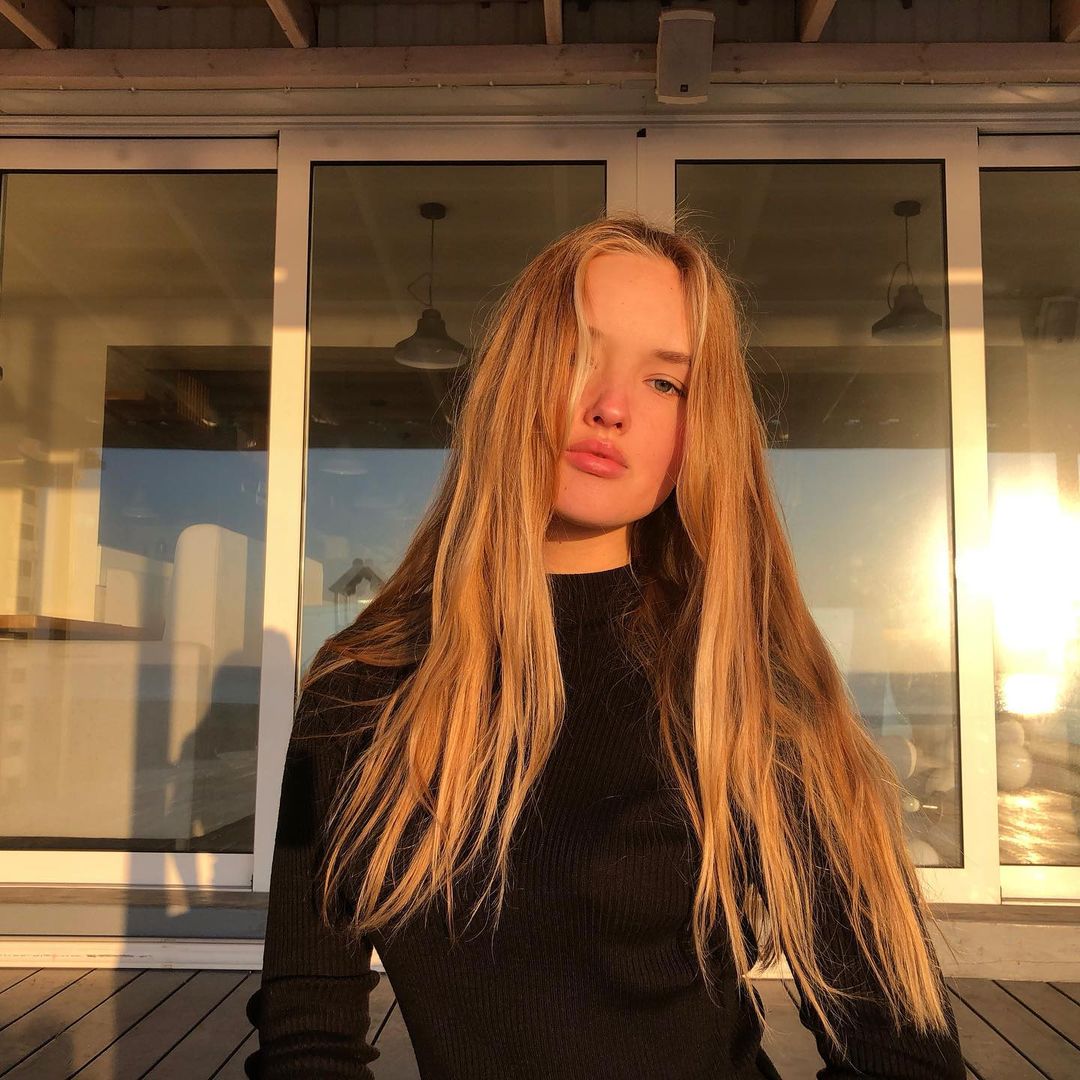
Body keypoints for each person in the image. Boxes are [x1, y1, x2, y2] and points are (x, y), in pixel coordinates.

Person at [245, 212, 967, 1079]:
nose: (611, 407)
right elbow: (308, 1030)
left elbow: (901, 1048)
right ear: (515, 375)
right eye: (579, 353)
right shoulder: (361, 687)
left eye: (666, 383)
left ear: (701, 428)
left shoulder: (740, 689)